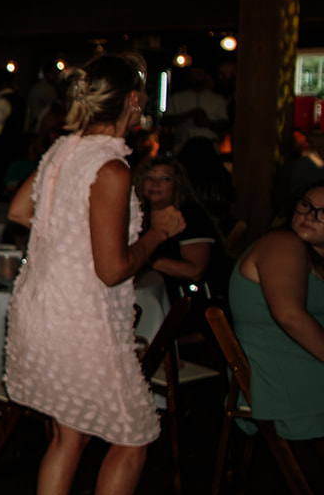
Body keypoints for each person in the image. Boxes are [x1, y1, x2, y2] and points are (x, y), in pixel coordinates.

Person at [3, 52, 185, 495]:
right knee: (135, 433)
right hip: (79, 320)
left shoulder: (63, 149)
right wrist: (156, 232)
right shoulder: (111, 168)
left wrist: (64, 237)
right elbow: (112, 269)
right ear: (133, 101)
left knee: (68, 434)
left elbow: (18, 211)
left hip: (40, 308)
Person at [227, 186, 324, 442]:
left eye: (323, 212)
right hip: (279, 377)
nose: (310, 215)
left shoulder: (310, 257)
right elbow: (288, 315)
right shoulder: (283, 243)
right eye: (306, 204)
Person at [133, 157, 218, 296]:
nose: (155, 184)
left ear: (177, 184)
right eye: (149, 178)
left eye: (165, 179)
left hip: (190, 299)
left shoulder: (190, 215)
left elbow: (195, 271)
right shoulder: (138, 215)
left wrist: (140, 257)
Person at [162, 66, 230, 156]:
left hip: (210, 148)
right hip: (183, 146)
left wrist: (207, 122)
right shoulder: (177, 98)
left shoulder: (217, 100)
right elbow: (165, 120)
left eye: (198, 74)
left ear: (206, 76)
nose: (194, 78)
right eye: (191, 74)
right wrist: (189, 115)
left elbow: (225, 125)